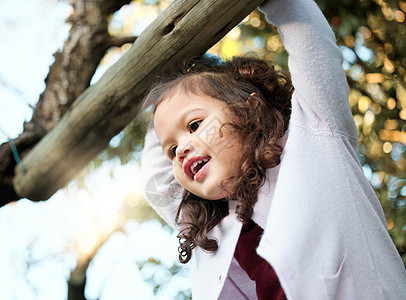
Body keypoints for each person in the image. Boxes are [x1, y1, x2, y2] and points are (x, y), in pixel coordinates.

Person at [141, 0, 406, 299]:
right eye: (172, 149)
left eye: (194, 125)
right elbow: (157, 181)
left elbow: (310, 37)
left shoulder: (316, 138)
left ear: (248, 108)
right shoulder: (210, 227)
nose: (180, 152)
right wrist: (162, 98)